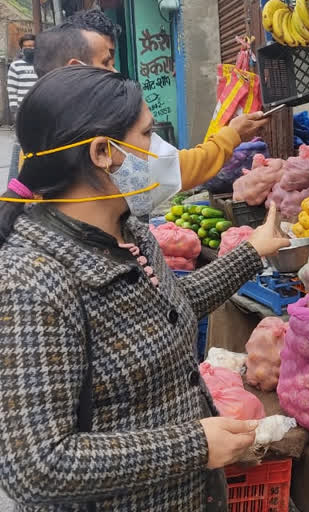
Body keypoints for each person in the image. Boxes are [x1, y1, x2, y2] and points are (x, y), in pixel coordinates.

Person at [0, 66, 289, 511]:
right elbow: (37, 467)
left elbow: (171, 307)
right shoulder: (33, 281)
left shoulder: (130, 231)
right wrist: (193, 445)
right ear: (102, 152)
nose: (162, 150)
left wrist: (252, 252)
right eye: (147, 133)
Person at [33, 9, 268, 191]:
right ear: (101, 153)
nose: (114, 73)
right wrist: (232, 134)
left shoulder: (39, 132)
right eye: (106, 63)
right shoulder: (97, 132)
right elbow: (175, 168)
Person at [6, 34, 37, 185]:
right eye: (27, 47)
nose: (30, 49)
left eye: (33, 46)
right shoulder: (15, 66)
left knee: (38, 146)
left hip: (39, 111)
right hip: (22, 112)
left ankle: (34, 183)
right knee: (20, 146)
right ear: (21, 49)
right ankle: (14, 185)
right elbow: (11, 89)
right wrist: (14, 111)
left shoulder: (41, 64)